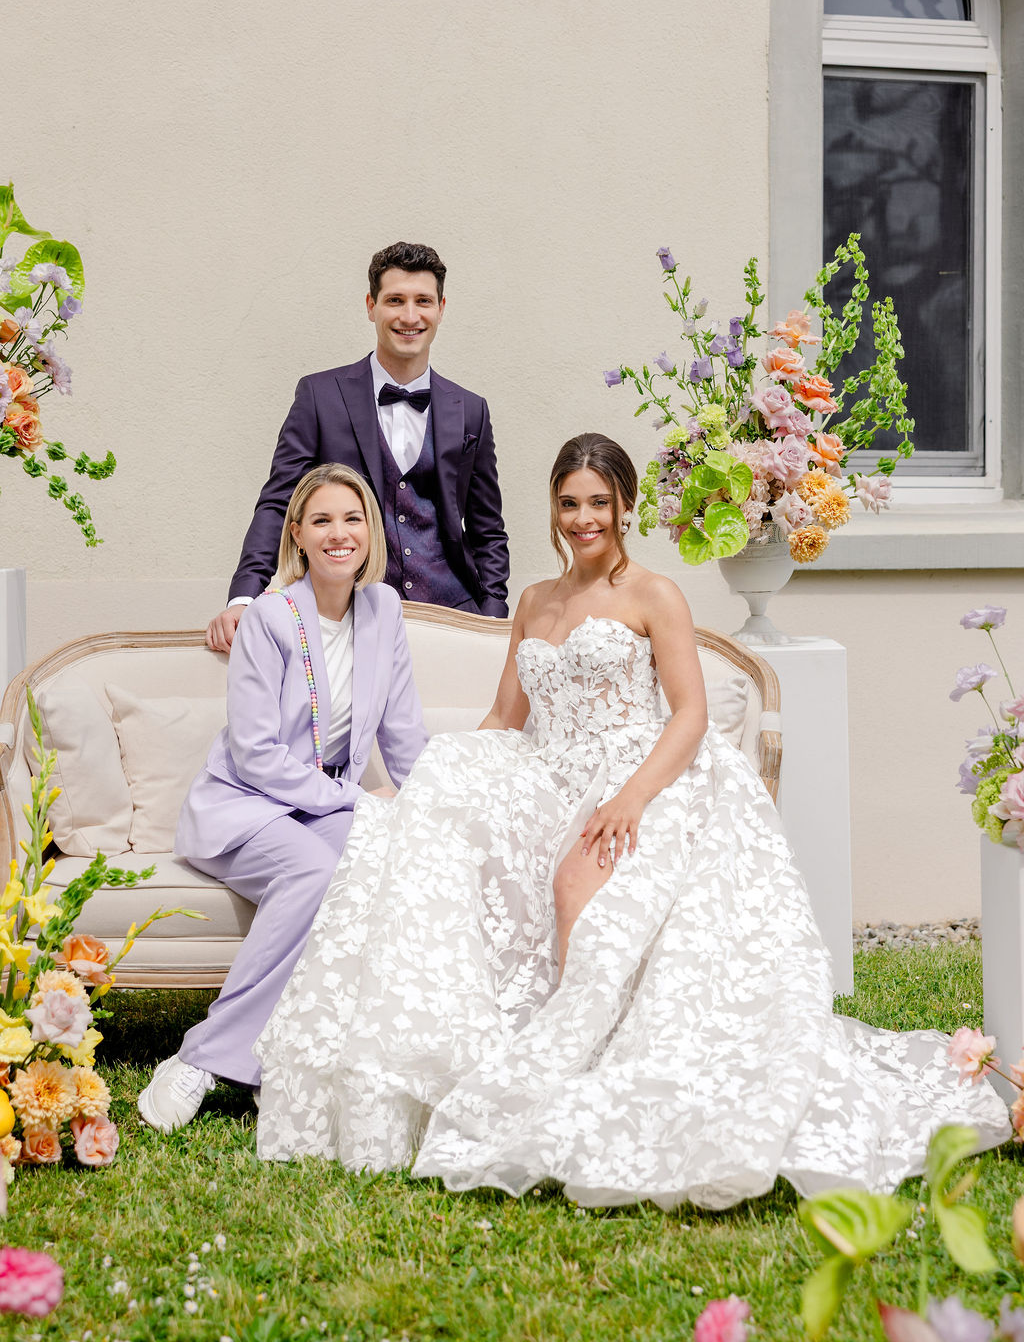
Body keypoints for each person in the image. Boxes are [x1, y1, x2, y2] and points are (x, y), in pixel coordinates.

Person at [254, 433, 1009, 1207]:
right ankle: (446, 1054)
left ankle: (581, 1068)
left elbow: (690, 714)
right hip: (549, 777)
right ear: (554, 508)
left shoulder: (654, 594)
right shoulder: (534, 602)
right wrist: (434, 790)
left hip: (640, 776)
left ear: (625, 508)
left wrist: (630, 798)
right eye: (569, 503)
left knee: (577, 891)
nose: (583, 519)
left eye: (599, 503)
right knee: (431, 827)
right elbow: (505, 718)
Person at [139, 463, 428, 1131]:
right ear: (297, 534)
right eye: (321, 520)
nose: (339, 533)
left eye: (352, 518)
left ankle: (292, 1058)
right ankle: (200, 1059)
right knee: (315, 869)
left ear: (370, 530)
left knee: (372, 861)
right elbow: (255, 752)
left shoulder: (384, 610)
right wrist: (352, 799)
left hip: (320, 806)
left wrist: (431, 800)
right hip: (246, 805)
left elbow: (405, 736)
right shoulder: (270, 617)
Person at [206, 241, 510, 654]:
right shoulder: (320, 396)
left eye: (423, 301)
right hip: (346, 617)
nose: (409, 316)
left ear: (441, 309)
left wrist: (490, 617)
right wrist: (244, 596)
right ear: (371, 306)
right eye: (395, 300)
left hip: (453, 617)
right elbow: (279, 503)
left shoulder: (471, 409)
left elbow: (488, 530)